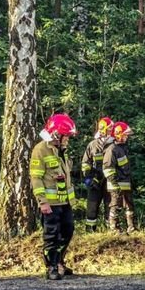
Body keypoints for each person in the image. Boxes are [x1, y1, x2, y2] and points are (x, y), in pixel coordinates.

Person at [30, 113, 78, 280]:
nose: (68, 140)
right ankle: (51, 267)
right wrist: (42, 202)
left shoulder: (61, 151)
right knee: (51, 235)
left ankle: (59, 262)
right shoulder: (40, 150)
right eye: (67, 136)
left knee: (68, 230)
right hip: (50, 203)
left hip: (64, 201)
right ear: (57, 134)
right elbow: (36, 178)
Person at [81, 117, 115, 233]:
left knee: (110, 205)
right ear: (102, 129)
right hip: (95, 180)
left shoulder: (114, 144)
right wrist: (89, 179)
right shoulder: (92, 145)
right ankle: (90, 230)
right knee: (92, 206)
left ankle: (110, 230)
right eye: (109, 128)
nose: (111, 131)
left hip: (109, 180)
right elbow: (85, 163)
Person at [104, 121, 135, 234]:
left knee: (129, 205)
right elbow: (108, 169)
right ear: (118, 134)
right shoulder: (111, 149)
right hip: (116, 184)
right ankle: (114, 229)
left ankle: (131, 227)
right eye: (125, 134)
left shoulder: (123, 148)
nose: (127, 137)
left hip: (126, 183)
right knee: (115, 206)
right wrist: (115, 185)